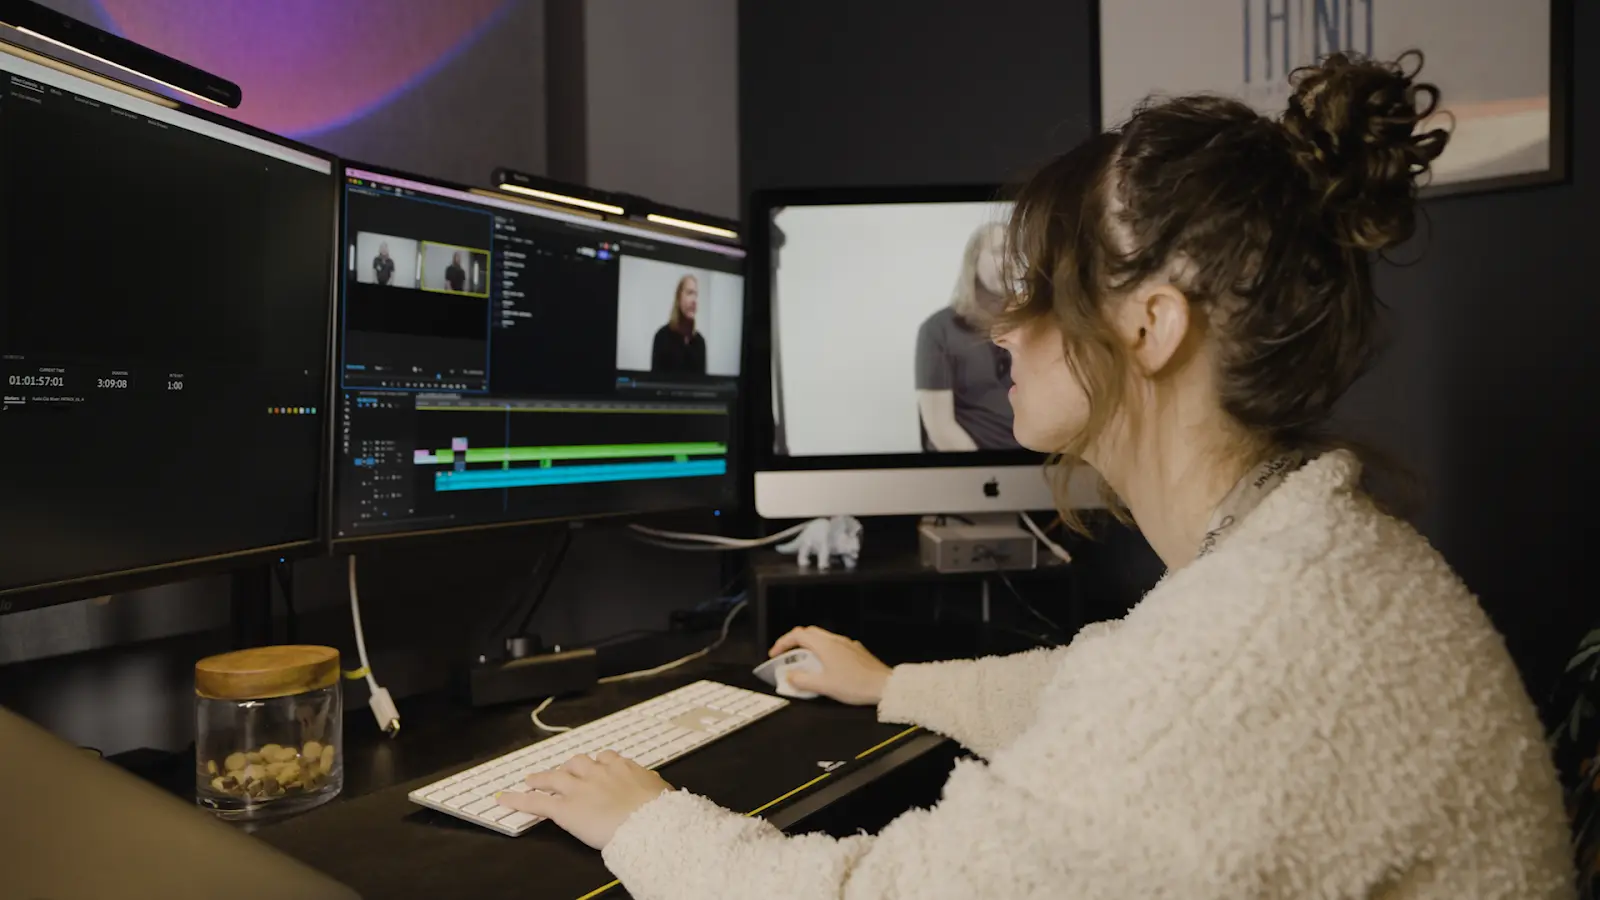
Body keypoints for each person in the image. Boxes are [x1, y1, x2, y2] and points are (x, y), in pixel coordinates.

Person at [496, 52, 1577, 898]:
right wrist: (892, 686)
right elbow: (1105, 685)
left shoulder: (1245, 652)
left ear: (1151, 324)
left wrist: (643, 816)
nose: (1002, 330)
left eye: (1038, 293)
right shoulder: (1299, 566)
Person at [915, 222, 1022, 451]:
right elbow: (940, 428)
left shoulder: (1033, 325)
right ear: (973, 262)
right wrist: (982, 469)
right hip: (967, 468)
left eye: (1015, 253)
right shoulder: (937, 330)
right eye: (998, 251)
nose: (1009, 261)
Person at [650, 274, 707, 374]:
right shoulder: (661, 337)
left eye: (696, 295)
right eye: (690, 293)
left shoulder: (700, 342)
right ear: (678, 297)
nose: (694, 300)